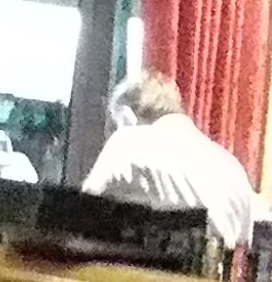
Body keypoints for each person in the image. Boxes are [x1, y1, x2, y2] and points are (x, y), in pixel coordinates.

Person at [78, 72, 256, 244]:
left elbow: (83, 213)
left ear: (127, 116)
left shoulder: (129, 141)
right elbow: (245, 241)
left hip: (153, 263)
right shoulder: (232, 166)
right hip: (216, 262)